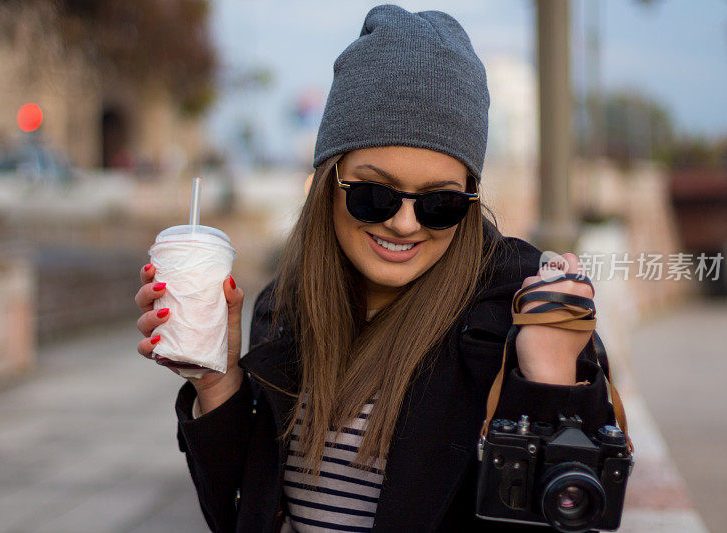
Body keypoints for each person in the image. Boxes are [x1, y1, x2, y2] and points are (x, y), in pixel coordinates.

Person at [134, 5, 617, 532]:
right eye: (374, 195)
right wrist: (217, 385)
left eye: (440, 203)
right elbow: (239, 515)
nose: (406, 224)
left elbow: (570, 519)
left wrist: (547, 381)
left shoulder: (522, 315)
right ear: (328, 182)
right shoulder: (289, 304)